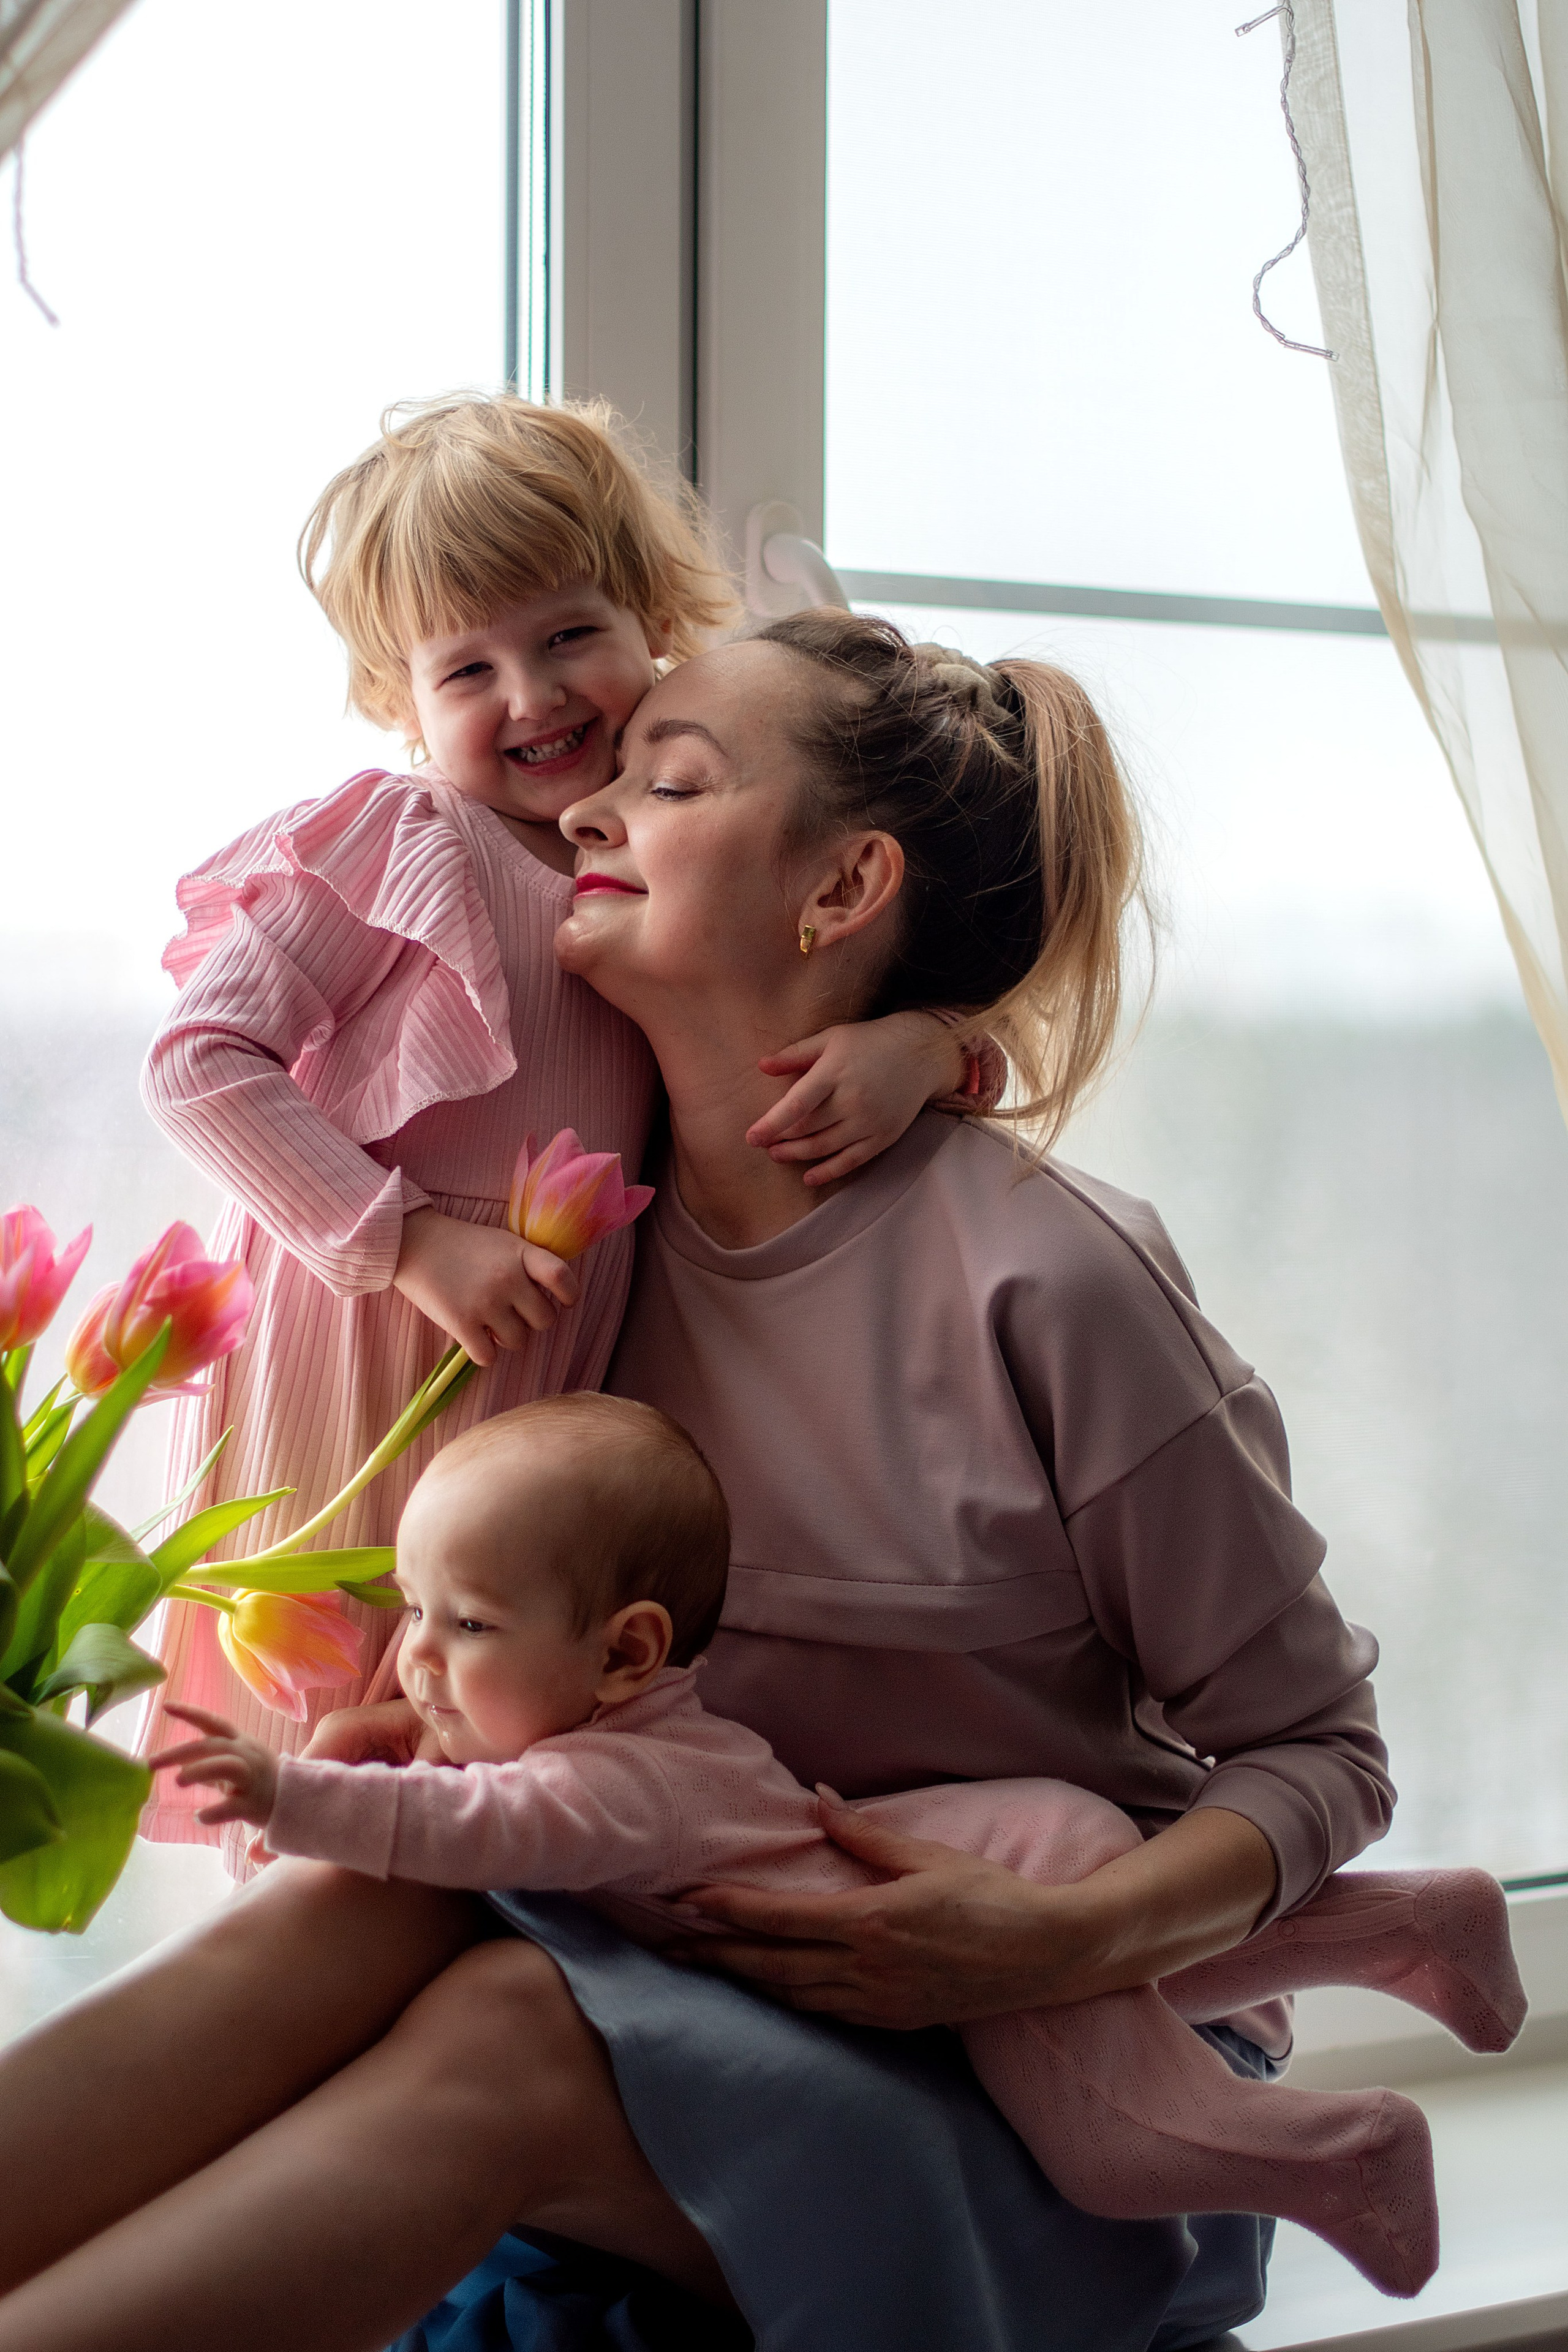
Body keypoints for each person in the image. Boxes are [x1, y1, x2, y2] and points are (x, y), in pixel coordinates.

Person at [0, 614, 1425, 2352]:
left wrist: (1056, 1944)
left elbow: (1324, 1758)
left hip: (1065, 2067)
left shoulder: (1051, 1285)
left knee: (506, 2030)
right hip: (716, 1949)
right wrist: (453, 1728)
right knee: (364, 1895)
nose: (591, 807)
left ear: (841, 896)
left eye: (668, 781)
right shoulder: (578, 1261)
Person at [135, 396, 987, 1871]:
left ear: (652, 621)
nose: (529, 694)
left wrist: (916, 1043)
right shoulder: (404, 839)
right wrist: (401, 1241)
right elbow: (200, 1061)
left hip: (529, 1387)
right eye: (467, 667)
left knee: (480, 1720)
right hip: (356, 1350)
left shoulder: (666, 850)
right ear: (402, 705)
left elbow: (868, 961)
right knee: (316, 1715)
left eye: (567, 635)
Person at [154, 1395, 1523, 2301]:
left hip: (989, 1876)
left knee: (1111, 2148)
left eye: (466, 1625)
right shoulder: (632, 1731)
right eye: (412, 1610)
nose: (416, 1660)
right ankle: (1410, 1923)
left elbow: (478, 1826)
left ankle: (1342, 2155)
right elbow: (474, 1776)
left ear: (625, 1652)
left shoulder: (615, 1786)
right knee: (1139, 1979)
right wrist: (414, 1723)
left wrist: (288, 1798)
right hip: (1009, 1839)